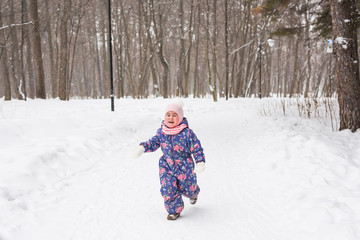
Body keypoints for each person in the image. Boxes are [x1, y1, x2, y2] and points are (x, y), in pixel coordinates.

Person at [133, 100, 205, 220]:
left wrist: (200, 161)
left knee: (189, 189)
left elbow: (196, 148)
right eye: (168, 115)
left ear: (180, 118)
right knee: (168, 188)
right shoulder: (161, 132)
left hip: (185, 167)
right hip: (166, 166)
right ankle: (174, 210)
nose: (171, 118)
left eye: (174, 115)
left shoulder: (187, 133)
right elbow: (153, 142)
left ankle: (194, 193)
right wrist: (142, 148)